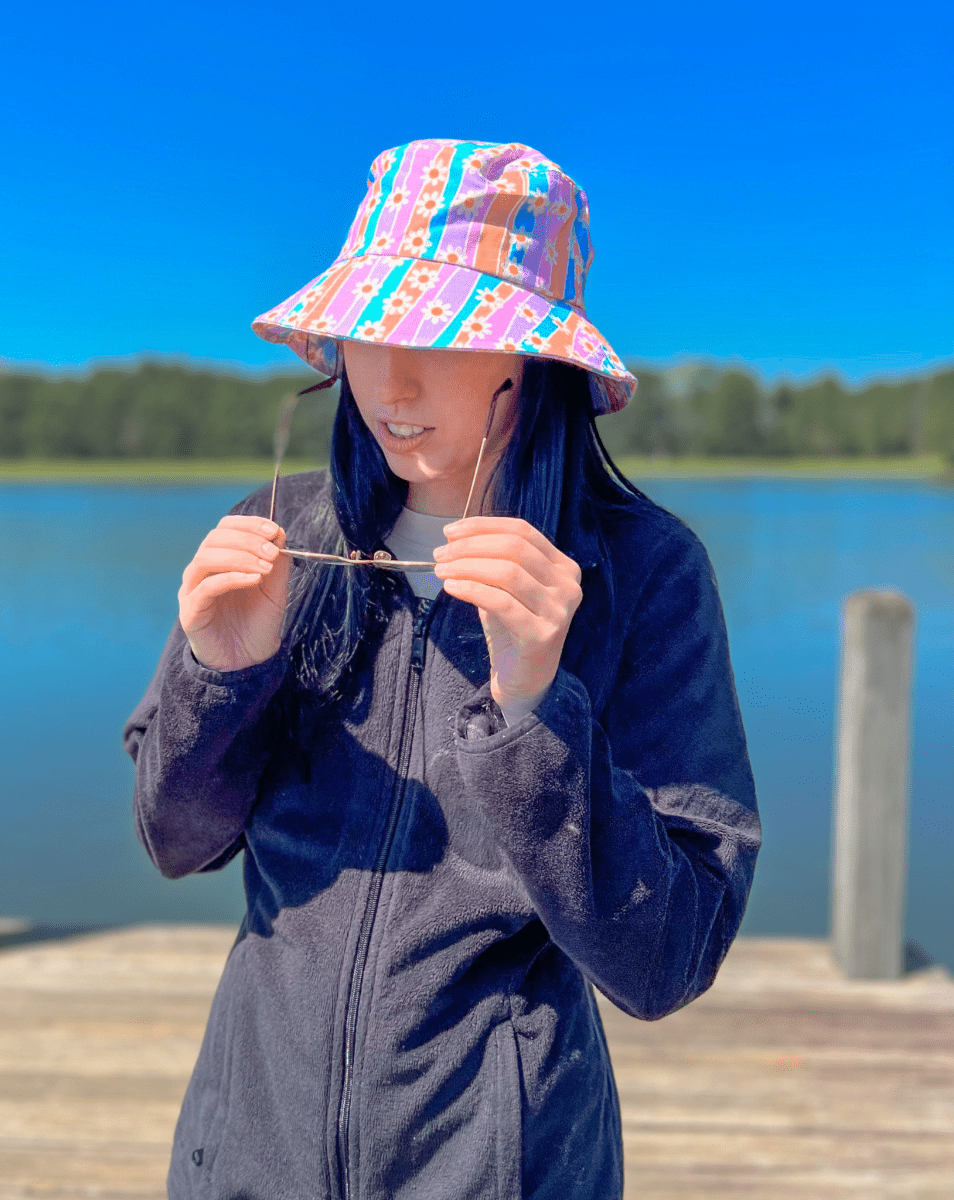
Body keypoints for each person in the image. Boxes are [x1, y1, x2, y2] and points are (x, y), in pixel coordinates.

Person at [124, 139, 760, 1200]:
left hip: (501, 1167)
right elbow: (173, 840)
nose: (393, 382)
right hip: (247, 1150)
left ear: (536, 360)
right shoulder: (271, 529)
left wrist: (533, 709)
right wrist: (219, 673)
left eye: (443, 338)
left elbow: (668, 960)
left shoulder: (646, 573)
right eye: (370, 334)